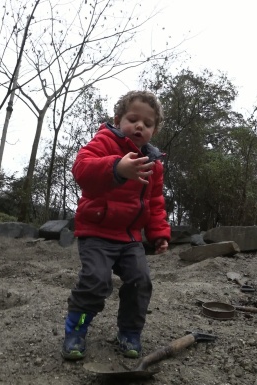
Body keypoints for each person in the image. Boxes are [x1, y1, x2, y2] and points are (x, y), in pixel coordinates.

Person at [61, 90, 171, 361]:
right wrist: (116, 169)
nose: (139, 126)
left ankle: (129, 332)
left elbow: (155, 201)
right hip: (97, 232)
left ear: (154, 130)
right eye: (133, 119)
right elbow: (82, 169)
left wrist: (158, 234)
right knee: (96, 281)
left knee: (140, 281)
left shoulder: (153, 164)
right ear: (118, 119)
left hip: (130, 238)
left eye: (147, 124)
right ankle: (77, 329)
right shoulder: (105, 142)